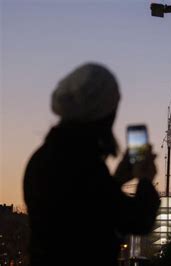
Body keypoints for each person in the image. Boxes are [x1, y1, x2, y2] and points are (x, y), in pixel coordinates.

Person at [23, 63, 160, 265]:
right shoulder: (83, 163)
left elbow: (90, 209)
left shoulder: (42, 158)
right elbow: (137, 220)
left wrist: (117, 180)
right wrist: (146, 180)